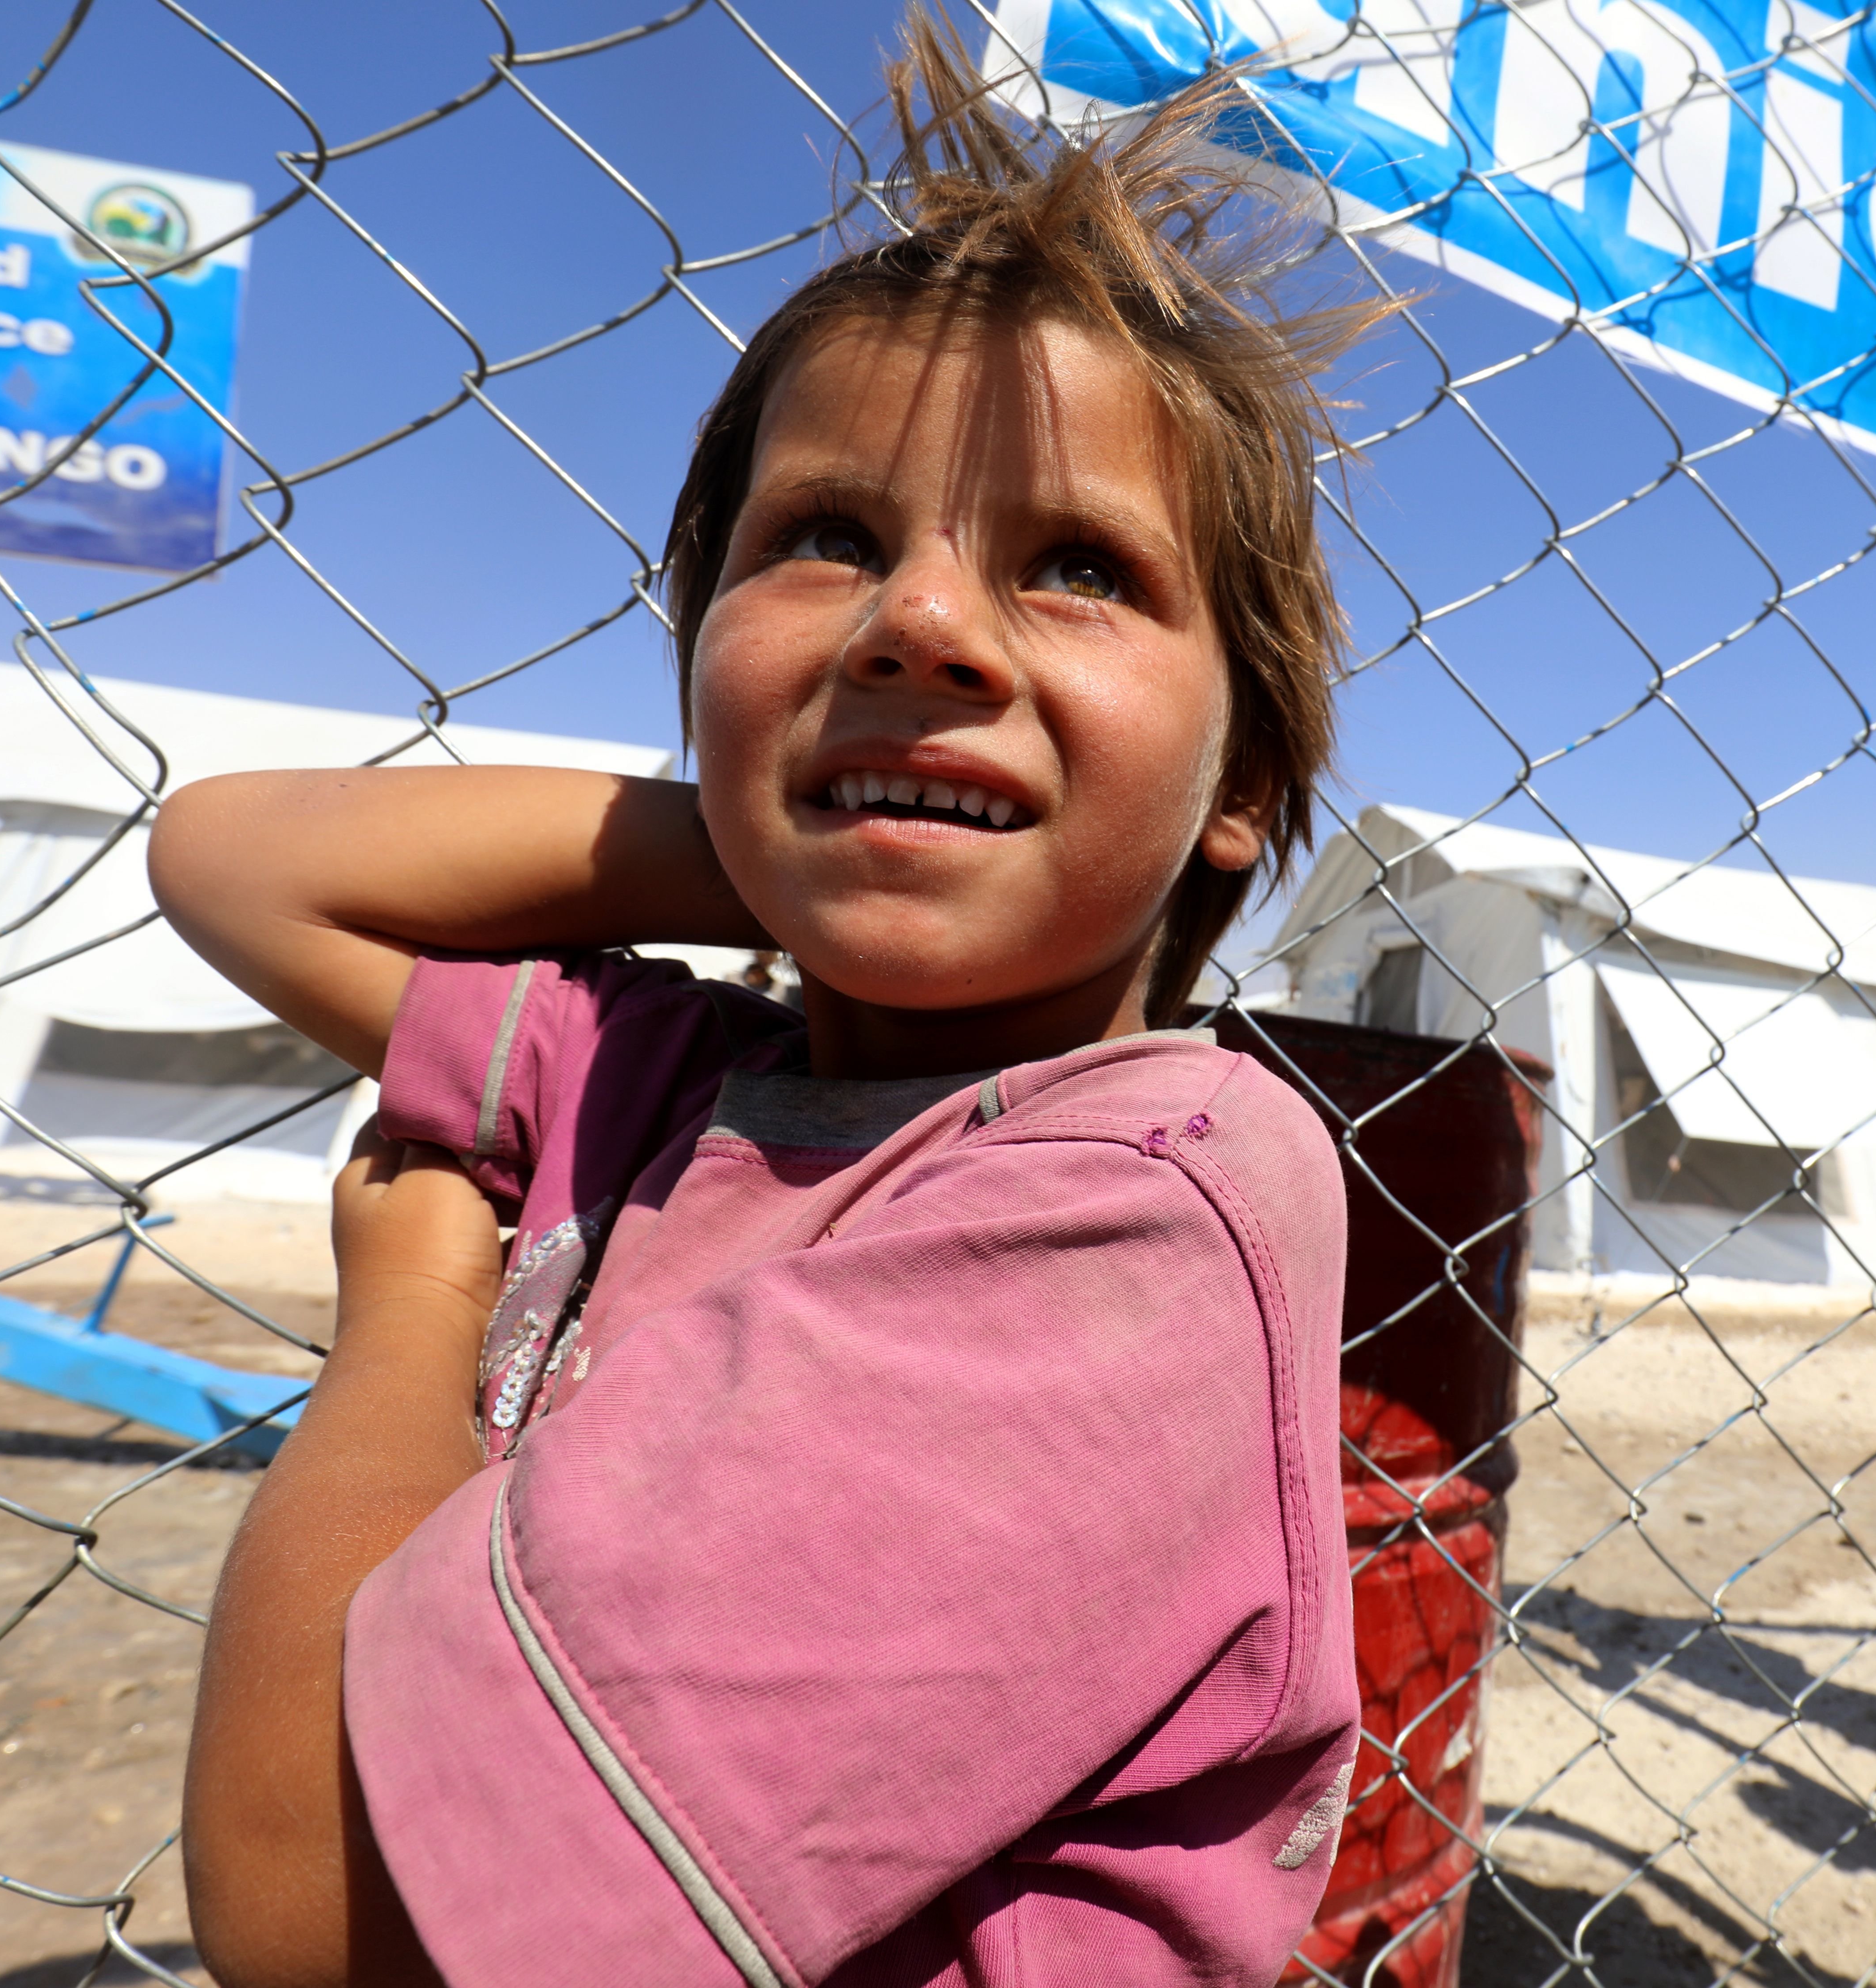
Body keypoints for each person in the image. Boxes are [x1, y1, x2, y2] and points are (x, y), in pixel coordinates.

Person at [157, 24, 1388, 1987]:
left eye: (1076, 564)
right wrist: (802, 824)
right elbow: (228, 859)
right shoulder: (671, 1078)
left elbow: (319, 1919)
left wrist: (407, 1317)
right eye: (825, 540)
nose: (917, 622)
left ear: (1242, 788)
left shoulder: (1150, 1193)